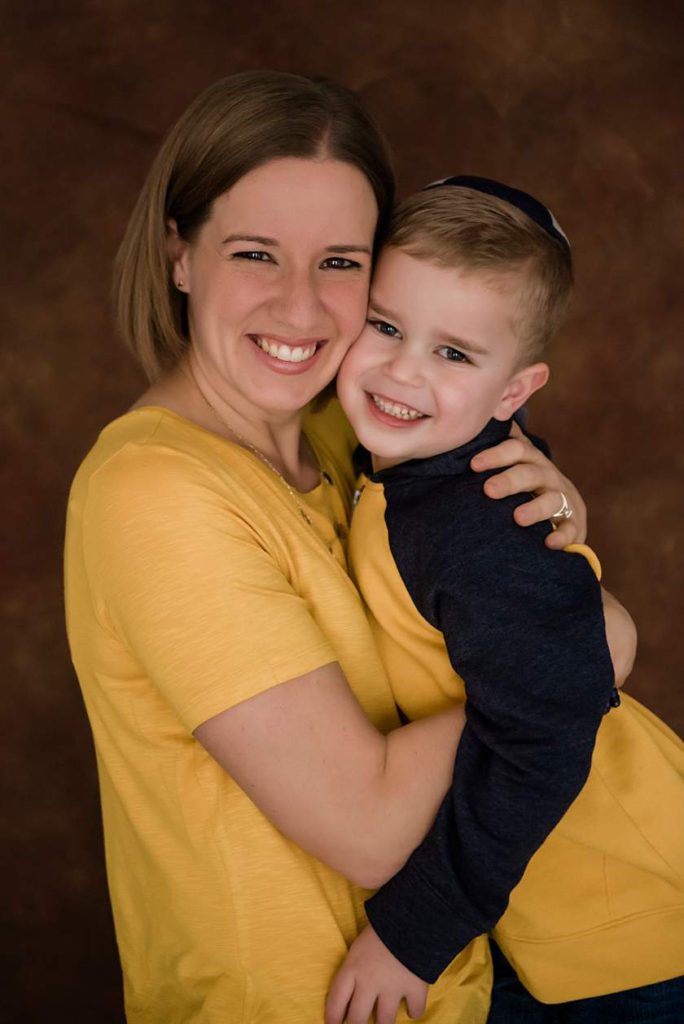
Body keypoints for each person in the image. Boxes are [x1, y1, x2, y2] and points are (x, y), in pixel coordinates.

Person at [65, 72, 615, 1023]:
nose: (302, 307)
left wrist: (555, 514)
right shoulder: (152, 492)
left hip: (458, 992)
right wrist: (573, 662)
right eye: (254, 253)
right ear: (179, 254)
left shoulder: (351, 442)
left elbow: (484, 605)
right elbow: (363, 827)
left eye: (339, 261)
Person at [327, 178, 684, 1023]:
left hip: (628, 927)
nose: (403, 370)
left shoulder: (474, 525)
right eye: (384, 325)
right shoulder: (435, 472)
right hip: (555, 915)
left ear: (514, 394)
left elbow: (538, 745)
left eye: (454, 353)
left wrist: (413, 934)